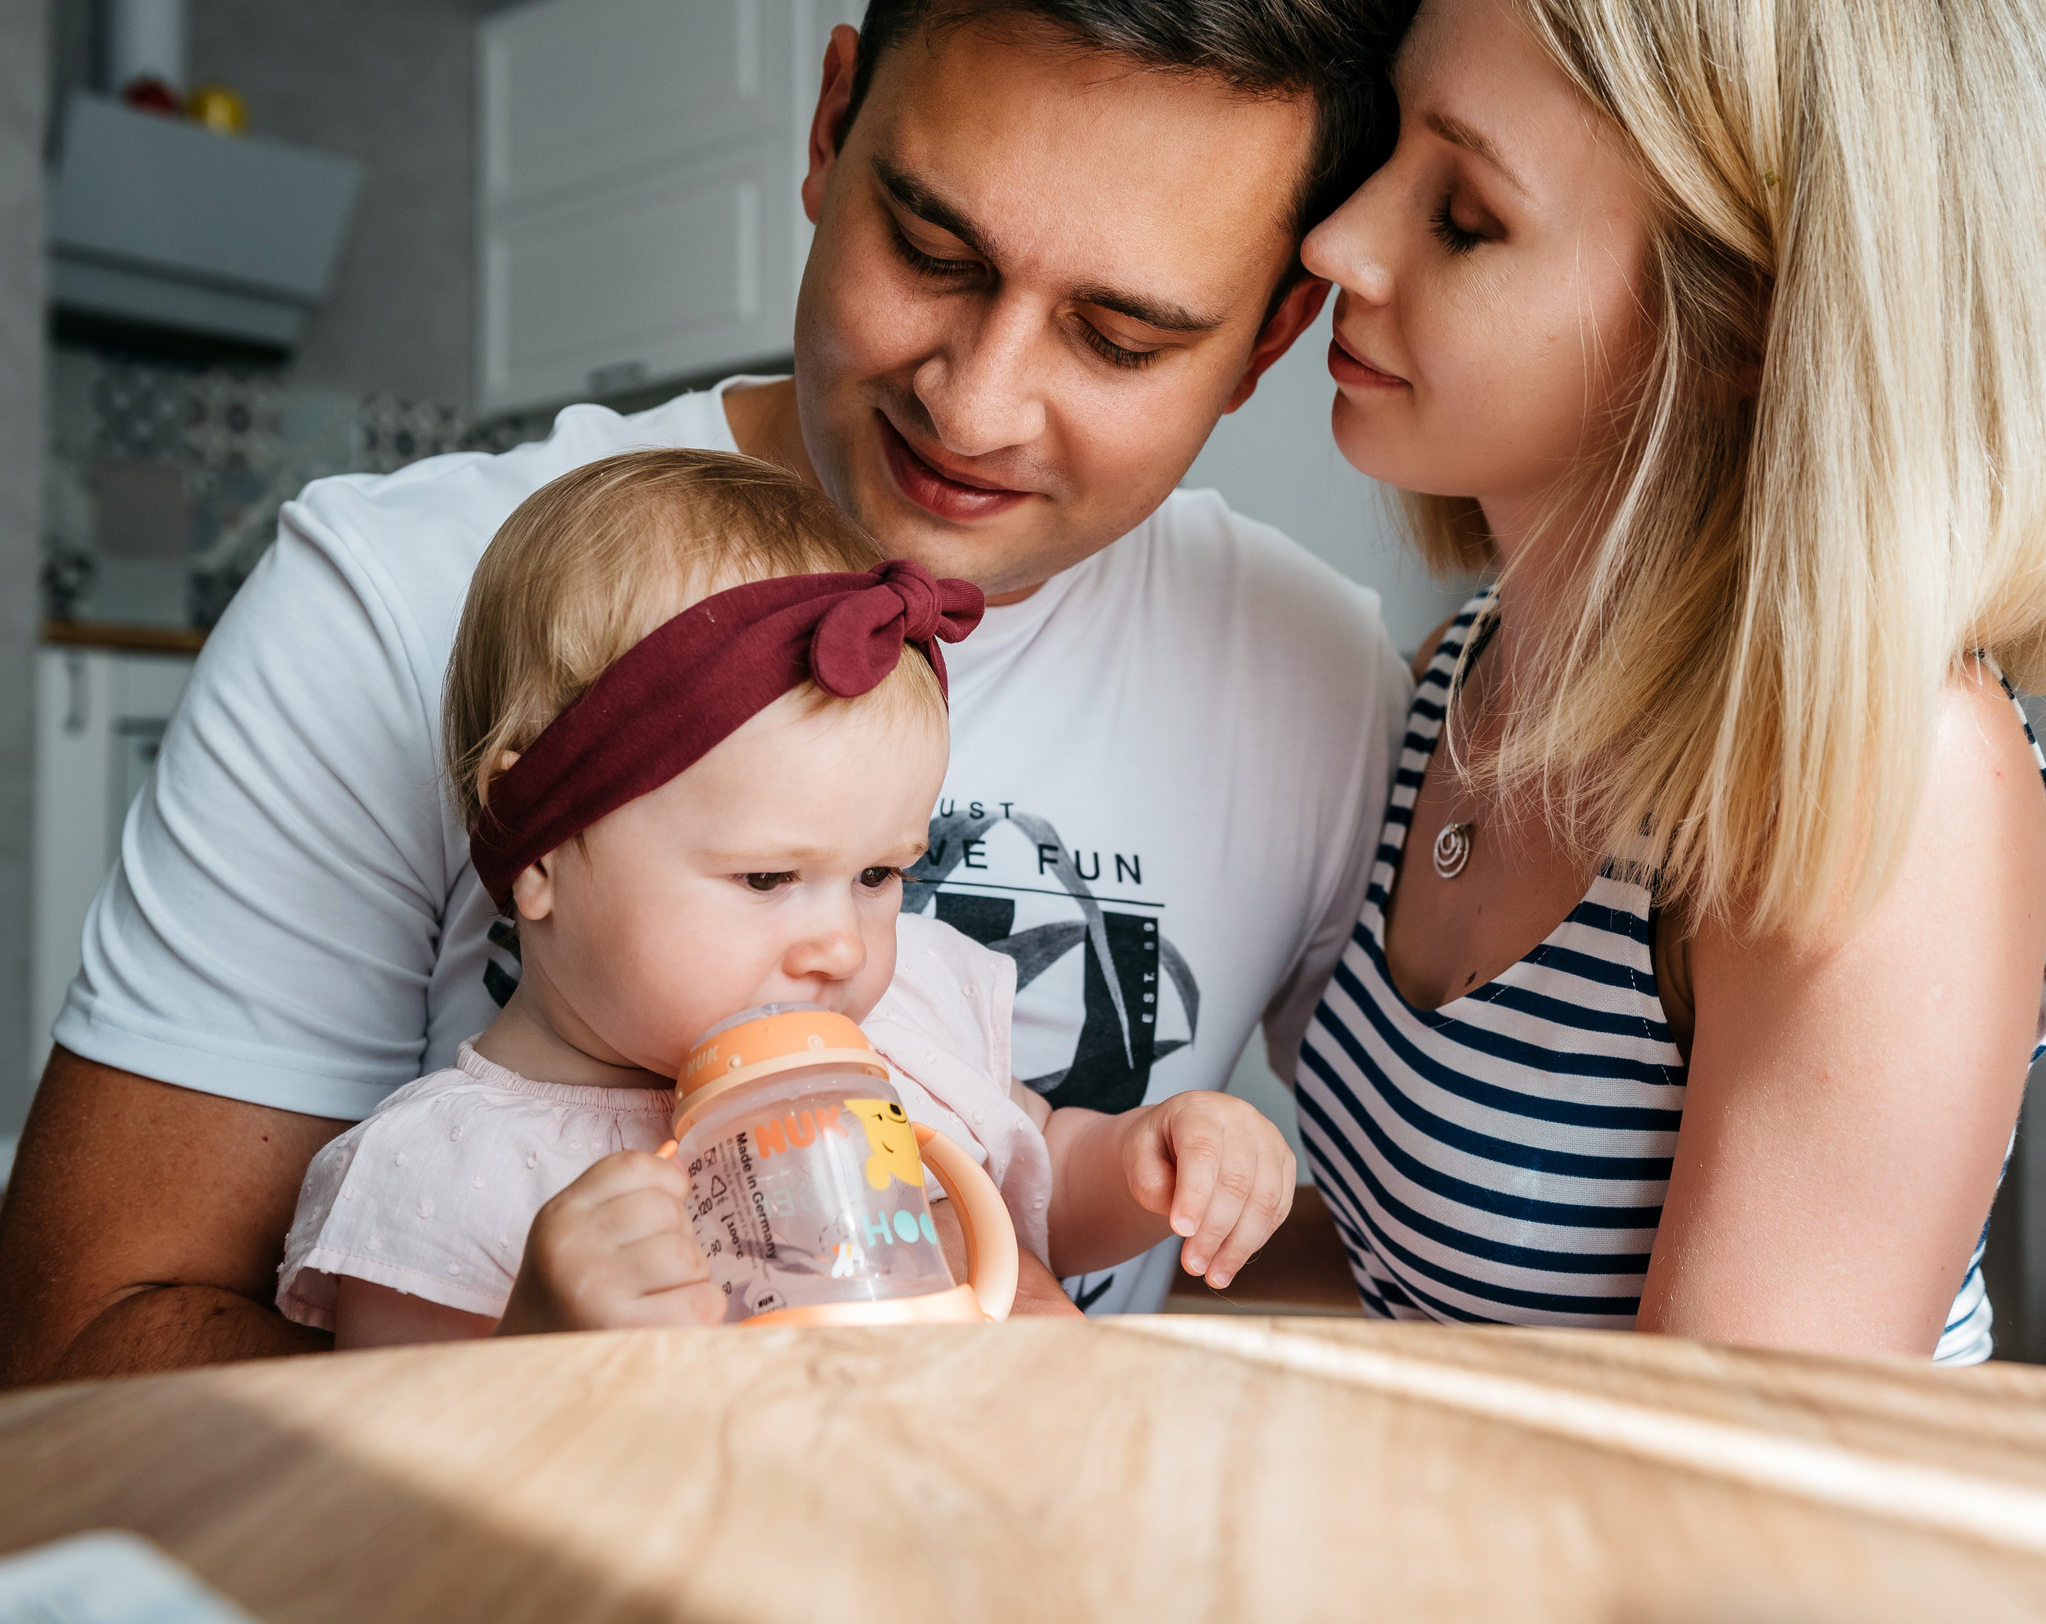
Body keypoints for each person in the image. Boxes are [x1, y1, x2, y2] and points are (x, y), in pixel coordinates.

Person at [0, 0, 1429, 1387]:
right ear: (829, 123)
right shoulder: (398, 595)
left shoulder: (1318, 677)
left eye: (1118, 338)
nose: (976, 407)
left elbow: (1383, 1252)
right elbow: (57, 1365)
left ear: (1271, 337)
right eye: (931, 248)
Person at [1290, 0, 2046, 1359]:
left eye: (1465, 213)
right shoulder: (1455, 683)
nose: (1336, 238)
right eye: (1386, 143)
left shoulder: (1893, 785)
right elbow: (1401, 1298)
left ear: (1740, 333)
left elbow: (1724, 1502)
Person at [279, 450, 1298, 1344]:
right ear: (541, 838)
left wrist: (1148, 1163)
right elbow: (401, 1465)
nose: (837, 946)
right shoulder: (450, 1168)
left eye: (877, 875)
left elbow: (1041, 1188)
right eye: (767, 877)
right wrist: (542, 1326)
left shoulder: (906, 1024)